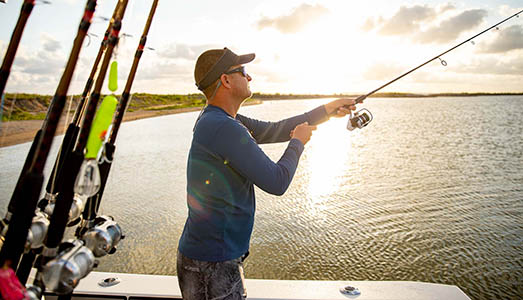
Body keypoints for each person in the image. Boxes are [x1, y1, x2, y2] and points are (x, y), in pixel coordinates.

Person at [177, 47, 359, 299]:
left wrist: (328, 110)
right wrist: (298, 143)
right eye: (243, 71)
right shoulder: (223, 127)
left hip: (211, 258)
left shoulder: (219, 120)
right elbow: (277, 181)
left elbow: (276, 129)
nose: (249, 77)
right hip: (212, 264)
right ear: (226, 80)